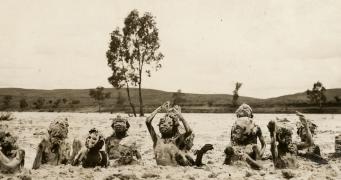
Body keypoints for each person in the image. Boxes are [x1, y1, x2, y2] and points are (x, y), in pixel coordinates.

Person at [146, 102, 212, 166]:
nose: (164, 125)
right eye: (162, 123)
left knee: (186, 158)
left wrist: (181, 117)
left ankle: (200, 154)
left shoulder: (175, 142)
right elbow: (148, 122)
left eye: (169, 124)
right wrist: (159, 109)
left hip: (176, 171)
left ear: (173, 127)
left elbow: (188, 131)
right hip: (162, 172)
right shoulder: (156, 140)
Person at [223, 104, 266, 170]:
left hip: (238, 153)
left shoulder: (234, 127)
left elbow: (232, 143)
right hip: (249, 154)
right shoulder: (256, 127)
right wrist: (259, 156)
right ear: (250, 115)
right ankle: (250, 160)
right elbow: (264, 145)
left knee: (231, 150)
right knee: (255, 148)